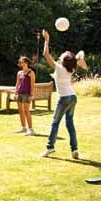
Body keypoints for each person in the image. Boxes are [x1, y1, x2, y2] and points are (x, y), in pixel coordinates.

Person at [41, 29, 88, 158]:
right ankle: (74, 149)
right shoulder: (71, 68)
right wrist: (79, 57)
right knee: (69, 123)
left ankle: (50, 147)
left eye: (62, 55)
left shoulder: (59, 68)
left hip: (64, 98)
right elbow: (79, 56)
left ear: (63, 60)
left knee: (55, 123)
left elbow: (46, 54)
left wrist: (47, 39)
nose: (60, 55)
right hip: (73, 97)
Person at [14, 56, 36, 136]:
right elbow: (17, 84)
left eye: (22, 62)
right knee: (20, 111)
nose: (21, 64)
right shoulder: (19, 73)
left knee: (26, 111)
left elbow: (32, 85)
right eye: (20, 62)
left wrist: (31, 95)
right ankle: (23, 128)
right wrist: (15, 93)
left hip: (27, 94)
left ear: (26, 63)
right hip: (19, 93)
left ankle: (31, 129)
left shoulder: (31, 73)